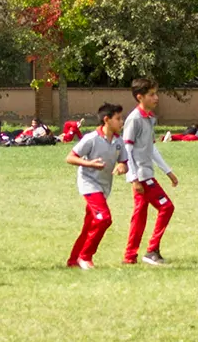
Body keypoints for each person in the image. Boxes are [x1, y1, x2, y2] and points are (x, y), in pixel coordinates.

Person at [120, 78, 179, 266]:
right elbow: (127, 150)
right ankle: (152, 250)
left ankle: (130, 256)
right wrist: (133, 178)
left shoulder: (149, 118)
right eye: (152, 94)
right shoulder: (134, 119)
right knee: (166, 207)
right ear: (140, 97)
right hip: (142, 177)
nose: (156, 98)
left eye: (156, 93)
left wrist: (168, 171)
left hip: (147, 174)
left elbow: (151, 148)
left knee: (139, 216)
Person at [65, 102, 127, 269]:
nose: (121, 122)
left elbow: (124, 162)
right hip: (89, 184)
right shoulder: (91, 138)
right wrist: (90, 164)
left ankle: (73, 260)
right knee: (104, 218)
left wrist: (122, 167)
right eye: (118, 119)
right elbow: (70, 157)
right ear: (106, 120)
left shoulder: (119, 141)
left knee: (90, 225)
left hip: (104, 187)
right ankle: (85, 257)